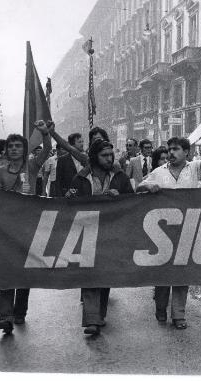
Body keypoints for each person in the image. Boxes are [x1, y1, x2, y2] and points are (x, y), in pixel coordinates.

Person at [137, 119, 201, 329]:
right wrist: (148, 187)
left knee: (182, 274)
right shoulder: (159, 171)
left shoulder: (194, 169)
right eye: (169, 149)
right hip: (162, 233)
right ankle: (160, 307)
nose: (171, 153)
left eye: (176, 149)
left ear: (186, 152)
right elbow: (139, 187)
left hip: (187, 230)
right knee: (163, 274)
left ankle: (179, 315)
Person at [0, 121, 52, 334]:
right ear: (6, 151)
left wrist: (45, 133)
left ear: (24, 150)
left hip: (29, 227)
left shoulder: (32, 166)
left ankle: (19, 312)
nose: (14, 149)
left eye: (18, 146)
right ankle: (5, 316)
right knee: (6, 271)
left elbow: (48, 150)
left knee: (24, 272)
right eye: (11, 146)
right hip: (5, 229)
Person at [67, 139, 134, 335]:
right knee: (89, 275)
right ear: (94, 157)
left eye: (110, 155)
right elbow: (71, 205)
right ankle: (91, 320)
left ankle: (99, 315)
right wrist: (70, 197)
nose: (109, 158)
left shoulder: (120, 177)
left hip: (111, 233)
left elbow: (131, 200)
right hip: (87, 231)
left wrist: (119, 196)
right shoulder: (80, 178)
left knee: (105, 275)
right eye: (104, 155)